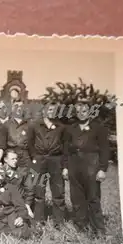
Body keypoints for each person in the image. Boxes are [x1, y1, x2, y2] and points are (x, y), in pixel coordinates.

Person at [63, 100, 109, 236]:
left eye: (84, 111)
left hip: (91, 165)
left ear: (89, 112)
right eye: (78, 112)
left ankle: (99, 229)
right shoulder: (70, 129)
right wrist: (65, 167)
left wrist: (102, 169)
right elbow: (65, 150)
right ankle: (81, 227)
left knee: (93, 197)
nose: (81, 114)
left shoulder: (98, 128)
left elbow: (105, 149)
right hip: (74, 165)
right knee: (76, 198)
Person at [27, 103, 67, 227]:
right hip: (39, 160)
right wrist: (35, 157)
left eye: (54, 110)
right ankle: (39, 220)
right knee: (39, 191)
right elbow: (29, 143)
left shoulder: (61, 127)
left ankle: (59, 222)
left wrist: (64, 164)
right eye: (49, 109)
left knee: (58, 191)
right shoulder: (35, 125)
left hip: (56, 160)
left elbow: (65, 146)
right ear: (44, 111)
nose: (52, 112)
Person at [0, 166, 31, 239]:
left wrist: (21, 217)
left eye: (2, 175)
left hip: (11, 214)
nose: (0, 178)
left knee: (22, 231)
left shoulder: (11, 188)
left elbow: (20, 205)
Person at [2, 149, 35, 220]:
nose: (15, 161)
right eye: (12, 159)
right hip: (3, 203)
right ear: (5, 159)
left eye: (16, 159)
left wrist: (27, 205)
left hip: (19, 203)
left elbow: (29, 189)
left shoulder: (22, 172)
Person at [0, 99, 31, 168]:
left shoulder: (29, 125)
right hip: (11, 157)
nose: (18, 109)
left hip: (25, 159)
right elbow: (2, 146)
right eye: (16, 106)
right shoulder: (6, 125)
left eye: (21, 107)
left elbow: (32, 145)